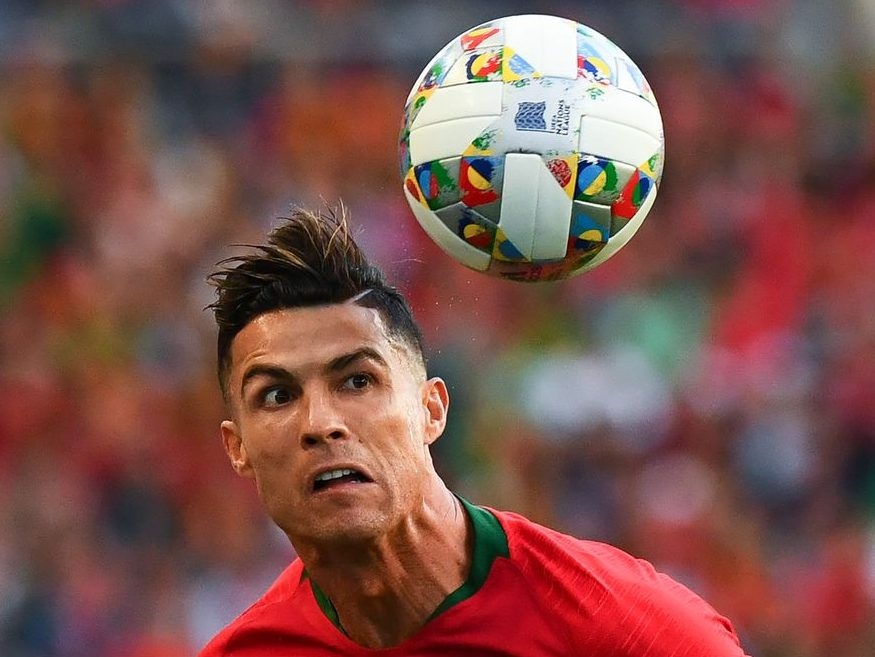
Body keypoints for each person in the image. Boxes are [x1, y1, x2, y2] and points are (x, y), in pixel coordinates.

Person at [198, 206, 750, 656]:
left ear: (431, 410)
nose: (321, 424)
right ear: (237, 448)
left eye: (357, 381)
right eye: (277, 395)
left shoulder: (622, 630)